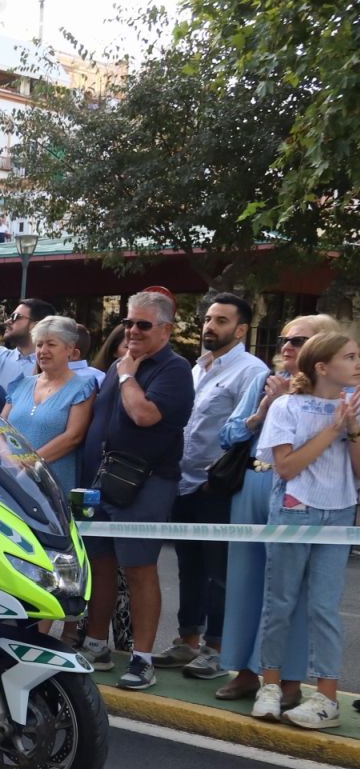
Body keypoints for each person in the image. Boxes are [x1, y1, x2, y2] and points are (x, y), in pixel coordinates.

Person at [212, 314, 340, 706]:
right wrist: (266, 406)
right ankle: (246, 672)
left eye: (298, 340)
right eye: (284, 338)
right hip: (254, 481)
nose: (286, 346)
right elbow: (228, 434)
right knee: (247, 580)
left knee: (296, 588)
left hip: (300, 489)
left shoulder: (335, 391)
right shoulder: (262, 380)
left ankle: (290, 678)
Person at [78, 290, 195, 690]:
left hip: (146, 483)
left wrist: (127, 374)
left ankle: (143, 658)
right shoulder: (119, 365)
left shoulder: (174, 369)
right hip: (103, 483)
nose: (132, 330)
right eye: (128, 322)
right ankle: (96, 644)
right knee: (100, 565)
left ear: (166, 329)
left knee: (140, 570)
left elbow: (144, 415)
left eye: (143, 324)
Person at [249, 330, 360, 729]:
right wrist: (333, 430)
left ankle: (326, 698)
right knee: (280, 601)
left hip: (340, 514)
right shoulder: (288, 407)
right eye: (350, 357)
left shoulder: (357, 406)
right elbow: (287, 467)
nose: (357, 363)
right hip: (294, 512)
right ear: (322, 366)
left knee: (325, 607)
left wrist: (353, 429)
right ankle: (271, 685)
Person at [152, 293, 266, 678]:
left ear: (242, 329)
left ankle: (217, 649)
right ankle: (188, 641)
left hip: (218, 485)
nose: (210, 327)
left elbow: (244, 431)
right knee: (190, 567)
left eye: (221, 321)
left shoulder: (252, 371)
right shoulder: (197, 368)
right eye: (208, 319)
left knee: (220, 570)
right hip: (183, 481)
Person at [5, 316, 97, 494]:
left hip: (53, 486)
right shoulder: (20, 384)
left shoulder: (83, 387)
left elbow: (73, 437)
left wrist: (30, 462)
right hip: (11, 481)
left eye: (51, 344)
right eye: (39, 345)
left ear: (69, 348)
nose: (43, 351)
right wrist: (7, 458)